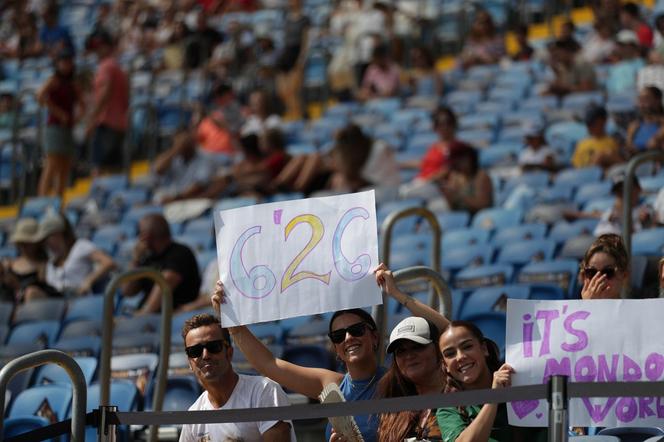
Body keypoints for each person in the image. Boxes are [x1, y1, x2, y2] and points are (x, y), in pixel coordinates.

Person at [212, 263, 450, 442]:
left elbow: (448, 333)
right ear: (336, 348)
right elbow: (269, 364)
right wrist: (232, 321)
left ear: (374, 337)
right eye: (339, 335)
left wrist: (398, 295)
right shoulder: (331, 385)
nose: (348, 338)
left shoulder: (396, 380)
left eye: (356, 330)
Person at [179, 314, 295, 442]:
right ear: (190, 362)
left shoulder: (264, 391)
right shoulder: (194, 415)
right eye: (195, 351)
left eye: (214, 347)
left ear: (229, 353)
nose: (205, 355)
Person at [436, 321, 545, 441]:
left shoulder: (519, 383)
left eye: (467, 347)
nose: (460, 356)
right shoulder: (448, 409)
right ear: (445, 365)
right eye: (450, 354)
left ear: (484, 349)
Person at [377, 316, 445, 442]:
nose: (409, 356)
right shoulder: (393, 411)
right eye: (401, 351)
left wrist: (404, 299)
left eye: (418, 346)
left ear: (438, 349)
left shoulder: (461, 396)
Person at [121, 213, 201, 314]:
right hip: (151, 318)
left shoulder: (180, 253)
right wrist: (135, 260)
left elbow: (165, 282)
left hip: (171, 318)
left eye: (139, 232)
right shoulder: (147, 257)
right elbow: (127, 292)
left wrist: (140, 316)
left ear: (146, 236)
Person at [37, 49, 84, 198]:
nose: (66, 65)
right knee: (51, 164)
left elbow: (83, 104)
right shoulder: (53, 80)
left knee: (64, 166)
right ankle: (43, 199)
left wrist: (75, 119)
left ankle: (59, 200)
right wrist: (57, 112)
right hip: (54, 126)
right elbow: (39, 96)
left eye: (68, 62)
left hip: (67, 128)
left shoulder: (72, 83)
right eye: (63, 62)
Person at [85, 29, 129, 176]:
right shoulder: (117, 67)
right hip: (119, 124)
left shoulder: (106, 66)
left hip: (106, 124)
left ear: (108, 47)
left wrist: (92, 119)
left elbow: (105, 93)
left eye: (100, 46)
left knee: (99, 170)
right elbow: (126, 98)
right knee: (115, 172)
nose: (96, 50)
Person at [38, 214, 116, 297]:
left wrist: (89, 281)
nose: (47, 243)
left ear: (59, 234)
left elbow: (108, 263)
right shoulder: (50, 260)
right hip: (54, 303)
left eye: (48, 238)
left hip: (77, 300)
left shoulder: (80, 246)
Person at [1, 218, 59, 303]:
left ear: (37, 242)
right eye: (20, 243)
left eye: (26, 243)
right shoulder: (10, 264)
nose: (23, 247)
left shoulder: (48, 265)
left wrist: (17, 286)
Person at [152, 130, 214, 204]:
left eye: (185, 142)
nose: (183, 145)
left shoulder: (205, 157)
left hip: (190, 199)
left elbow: (199, 186)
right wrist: (175, 149)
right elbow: (158, 169)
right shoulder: (174, 156)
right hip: (169, 196)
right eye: (178, 142)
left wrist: (175, 199)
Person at [275, 0, 310, 119]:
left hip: (297, 53)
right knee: (284, 90)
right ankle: (291, 112)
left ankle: (300, 114)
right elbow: (285, 40)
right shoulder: (286, 18)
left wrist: (301, 59)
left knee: (295, 89)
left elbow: (305, 41)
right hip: (286, 54)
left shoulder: (304, 19)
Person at [435, 145, 493, 214]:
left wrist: (458, 195)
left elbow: (483, 205)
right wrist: (448, 196)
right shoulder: (455, 176)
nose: (455, 165)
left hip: (479, 216)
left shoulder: (481, 176)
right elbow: (453, 208)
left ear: (468, 158)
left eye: (458, 161)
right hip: (461, 216)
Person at [578, 233, 630, 300]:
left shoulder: (634, 310)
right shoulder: (571, 309)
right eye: (592, 273)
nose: (599, 279)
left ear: (624, 276)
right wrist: (588, 305)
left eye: (607, 272)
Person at [626, 86, 664, 154]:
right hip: (639, 161)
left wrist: (657, 138)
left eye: (646, 98)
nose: (642, 103)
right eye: (640, 99)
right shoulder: (634, 126)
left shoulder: (661, 124)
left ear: (658, 100)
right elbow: (629, 149)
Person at [606, 30, 646, 95]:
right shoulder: (613, 67)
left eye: (622, 44)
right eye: (618, 44)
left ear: (633, 46)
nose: (619, 47)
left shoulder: (642, 64)